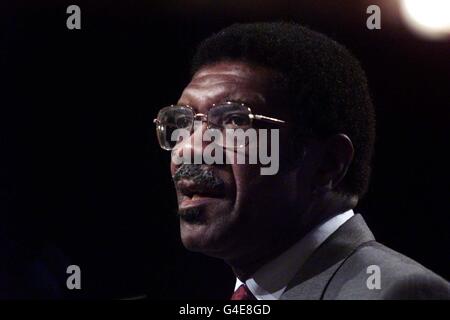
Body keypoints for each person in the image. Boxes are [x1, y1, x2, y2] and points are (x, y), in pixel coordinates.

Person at [153, 22, 449, 299]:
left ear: (327, 165)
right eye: (182, 122)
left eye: (234, 122)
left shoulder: (395, 292)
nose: (188, 149)